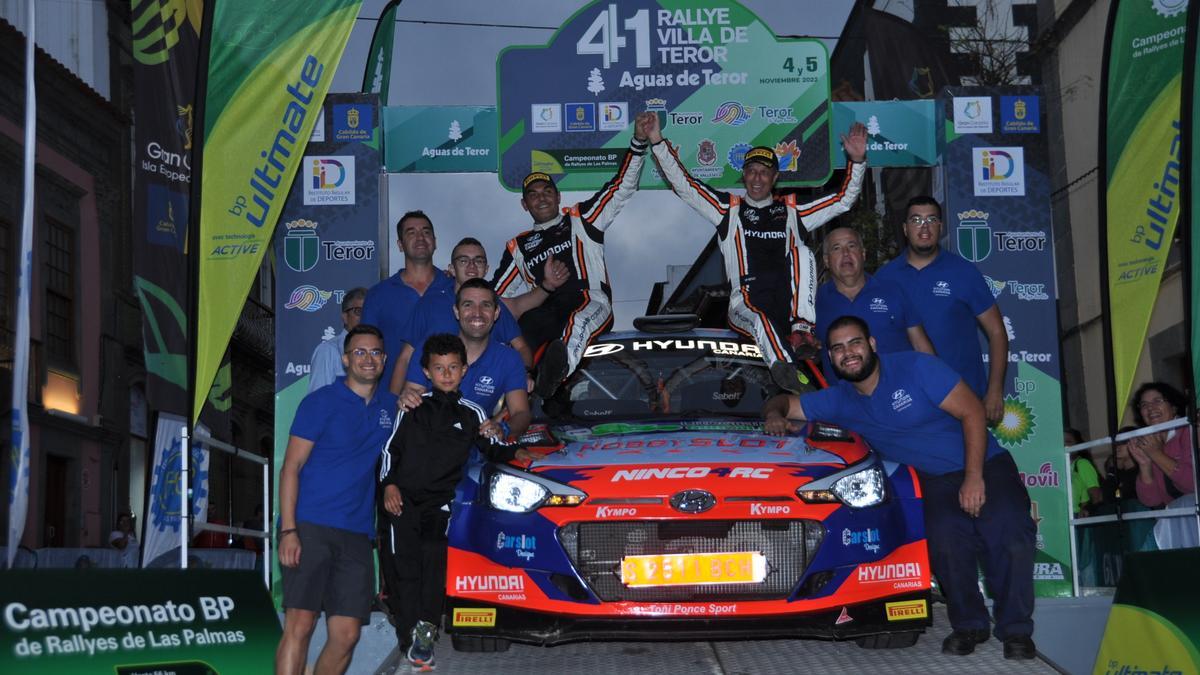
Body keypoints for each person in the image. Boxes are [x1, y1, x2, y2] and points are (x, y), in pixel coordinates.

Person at [762, 316, 1037, 659]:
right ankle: (970, 626)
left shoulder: (917, 368)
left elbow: (973, 413)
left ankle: (1016, 631)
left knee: (1011, 536)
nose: (849, 352)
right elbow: (785, 403)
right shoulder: (839, 400)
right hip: (933, 481)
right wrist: (773, 415)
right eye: (839, 348)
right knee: (946, 542)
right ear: (831, 358)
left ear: (872, 344)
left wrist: (973, 476)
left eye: (855, 343)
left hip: (985, 464)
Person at [641, 112, 867, 393]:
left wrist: (856, 162)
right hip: (744, 307)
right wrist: (657, 140)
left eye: (764, 172)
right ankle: (790, 374)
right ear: (744, 175)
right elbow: (685, 185)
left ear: (775, 177)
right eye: (752, 171)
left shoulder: (791, 211)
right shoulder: (729, 210)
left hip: (788, 311)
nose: (757, 178)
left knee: (803, 251)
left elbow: (843, 200)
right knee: (760, 318)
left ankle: (802, 332)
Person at [379, 333, 532, 671]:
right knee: (403, 566)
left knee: (433, 559)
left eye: (452, 368)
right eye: (439, 368)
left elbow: (490, 446)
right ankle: (407, 635)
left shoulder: (472, 412)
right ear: (427, 372)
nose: (446, 374)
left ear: (464, 370)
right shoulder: (413, 406)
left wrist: (515, 451)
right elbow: (390, 450)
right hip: (400, 500)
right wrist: (389, 485)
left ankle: (425, 630)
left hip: (439, 504)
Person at [492, 115, 651, 398]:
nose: (541, 198)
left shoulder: (582, 219)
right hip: (545, 310)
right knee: (519, 329)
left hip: (590, 300)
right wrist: (457, 286)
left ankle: (551, 380)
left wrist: (638, 143)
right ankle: (519, 391)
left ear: (558, 196)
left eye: (547, 191)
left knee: (577, 321)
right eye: (533, 194)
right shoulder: (519, 246)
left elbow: (621, 187)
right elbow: (493, 297)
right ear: (524, 204)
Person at [275, 325, 399, 675]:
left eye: (375, 352)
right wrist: (288, 530)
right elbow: (291, 467)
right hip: (309, 525)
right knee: (299, 624)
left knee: (346, 635)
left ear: (384, 359)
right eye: (359, 352)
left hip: (357, 534)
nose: (368, 359)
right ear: (345, 359)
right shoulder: (320, 401)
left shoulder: (390, 406)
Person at [875, 196, 1008, 424]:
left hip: (963, 400)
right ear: (906, 228)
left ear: (941, 227)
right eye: (916, 220)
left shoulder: (964, 272)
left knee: (970, 459)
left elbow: (997, 332)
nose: (924, 226)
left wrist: (994, 391)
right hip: (905, 401)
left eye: (931, 219)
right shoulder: (884, 279)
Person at [392, 238, 535, 393]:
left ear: (486, 269)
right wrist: (391, 404)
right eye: (463, 261)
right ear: (452, 269)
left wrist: (525, 374)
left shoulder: (493, 308)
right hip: (431, 404)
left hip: (481, 402)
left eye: (478, 261)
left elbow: (521, 347)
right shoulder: (430, 303)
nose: (472, 266)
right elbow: (405, 358)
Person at [400, 279, 532, 439]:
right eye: (468, 305)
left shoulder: (509, 359)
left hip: (477, 452)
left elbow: (521, 413)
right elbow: (411, 399)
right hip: (428, 449)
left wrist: (502, 428)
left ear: (496, 313)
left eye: (486, 305)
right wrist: (406, 399)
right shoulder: (429, 349)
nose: (477, 313)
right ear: (456, 311)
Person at [815, 226, 934, 383]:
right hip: (845, 402)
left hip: (902, 397)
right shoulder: (813, 302)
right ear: (826, 261)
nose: (845, 253)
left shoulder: (893, 291)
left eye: (852, 246)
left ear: (863, 254)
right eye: (836, 248)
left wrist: (937, 386)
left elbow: (921, 346)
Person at [361, 211, 455, 395]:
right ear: (400, 244)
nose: (420, 237)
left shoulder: (455, 289)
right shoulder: (378, 295)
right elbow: (366, 351)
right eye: (411, 232)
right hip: (393, 400)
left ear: (435, 242)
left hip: (449, 402)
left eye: (426, 232)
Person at [1128, 382, 1197, 549]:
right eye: (1144, 405)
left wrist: (1156, 454)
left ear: (1173, 407)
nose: (1150, 408)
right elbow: (1151, 500)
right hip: (1174, 520)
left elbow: (1192, 483)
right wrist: (1144, 465)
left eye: (1157, 401)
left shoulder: (1190, 431)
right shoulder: (1151, 440)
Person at [308, 287, 366, 393]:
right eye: (358, 311)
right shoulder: (328, 350)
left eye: (369, 310)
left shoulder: (379, 351)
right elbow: (318, 398)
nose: (365, 316)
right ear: (345, 317)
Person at [1065, 429, 1103, 517]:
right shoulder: (1061, 467)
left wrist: (1086, 511)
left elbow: (1095, 494)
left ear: (1078, 445)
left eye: (1068, 441)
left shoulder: (1082, 464)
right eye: (1061, 441)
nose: (1064, 445)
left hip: (1078, 516)